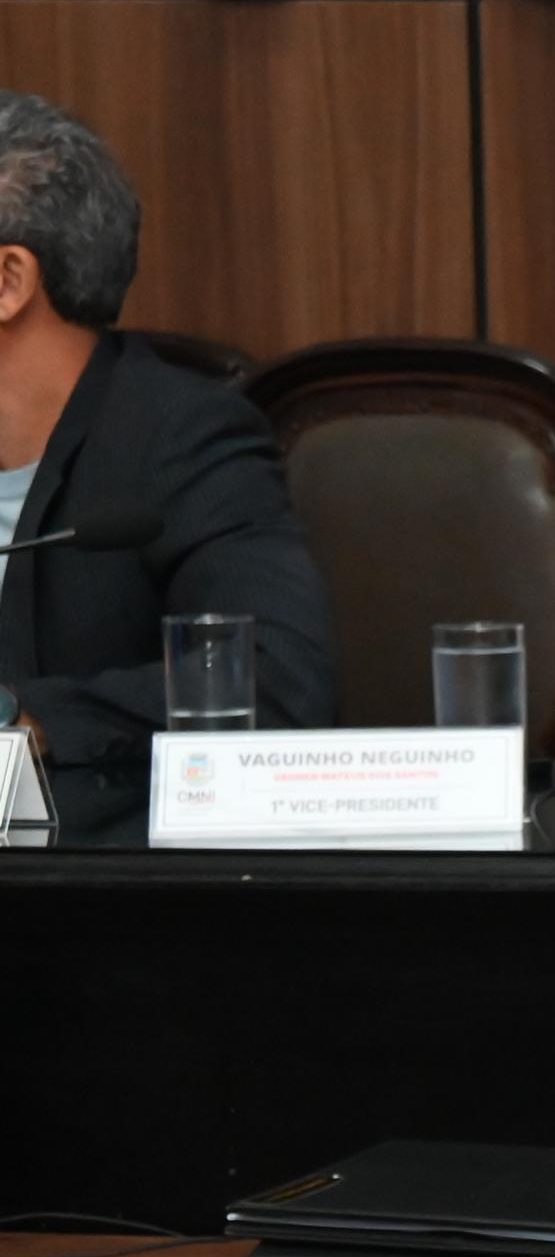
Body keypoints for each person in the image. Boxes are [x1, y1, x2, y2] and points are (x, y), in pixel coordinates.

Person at [0, 88, 336, 843]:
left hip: (91, 907)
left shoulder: (176, 438)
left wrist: (28, 720)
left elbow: (279, 682)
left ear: (8, 282)